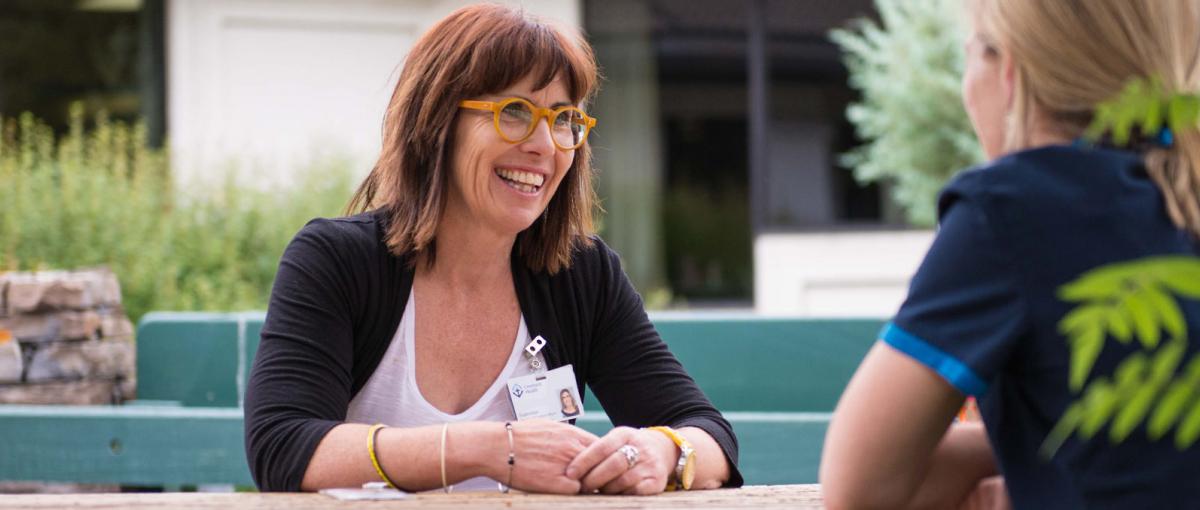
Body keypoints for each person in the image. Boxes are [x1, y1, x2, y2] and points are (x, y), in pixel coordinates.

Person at [243, 3, 739, 495]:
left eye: (564, 118)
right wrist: (489, 450)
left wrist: (663, 453)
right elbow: (285, 446)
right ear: (436, 124)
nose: (546, 144)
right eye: (515, 112)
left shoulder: (582, 275)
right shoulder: (336, 261)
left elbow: (708, 435)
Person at [820, 1, 1200, 509]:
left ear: (1010, 74)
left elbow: (857, 489)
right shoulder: (1182, 189)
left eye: (971, 54)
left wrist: (999, 449)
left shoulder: (1011, 208)